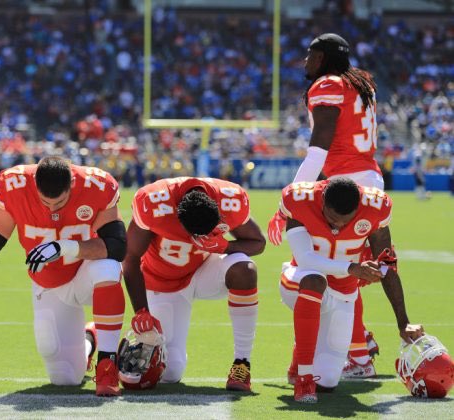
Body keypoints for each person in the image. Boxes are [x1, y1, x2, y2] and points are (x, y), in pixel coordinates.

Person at [0, 156, 127, 397]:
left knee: (108, 267)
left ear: (72, 185)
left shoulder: (95, 186)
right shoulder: (14, 187)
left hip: (86, 273)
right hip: (49, 284)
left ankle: (107, 364)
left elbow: (117, 246)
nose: (52, 209)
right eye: (45, 202)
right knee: (65, 377)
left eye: (60, 202)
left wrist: (65, 247)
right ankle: (90, 338)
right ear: (34, 186)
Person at [266, 33, 383, 376]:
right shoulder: (360, 82)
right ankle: (358, 347)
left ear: (324, 58)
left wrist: (289, 203)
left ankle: (355, 356)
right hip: (368, 182)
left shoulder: (329, 84)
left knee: (323, 271)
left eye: (311, 55)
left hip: (345, 188)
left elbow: (318, 151)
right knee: (346, 274)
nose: (306, 61)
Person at [278, 177, 424, 403]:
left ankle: (301, 355)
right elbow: (305, 259)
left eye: (345, 221)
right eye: (332, 219)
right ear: (322, 201)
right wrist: (351, 268)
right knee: (315, 280)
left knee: (327, 382)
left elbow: (387, 266)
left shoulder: (375, 208)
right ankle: (304, 378)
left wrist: (403, 322)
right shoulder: (300, 199)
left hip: (343, 292)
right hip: (300, 280)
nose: (338, 226)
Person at [122, 177, 266, 391]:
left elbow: (258, 242)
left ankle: (242, 364)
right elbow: (130, 257)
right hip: (163, 282)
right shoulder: (153, 202)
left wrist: (224, 246)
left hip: (204, 270)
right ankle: (94, 334)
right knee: (170, 371)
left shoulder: (230, 199)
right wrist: (141, 311)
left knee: (244, 270)